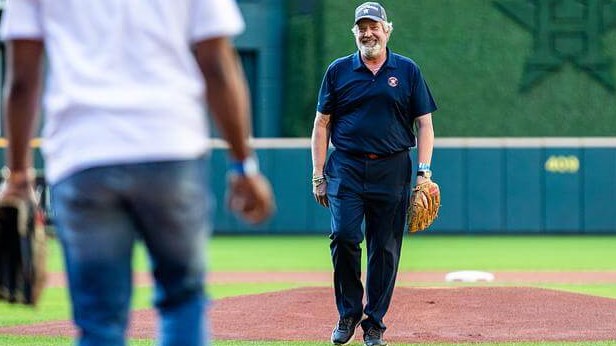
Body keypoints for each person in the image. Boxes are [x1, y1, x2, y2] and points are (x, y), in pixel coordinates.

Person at [0, 1, 274, 345]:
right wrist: (242, 165)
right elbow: (217, 64)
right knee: (182, 299)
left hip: (84, 153)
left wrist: (20, 176)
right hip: (170, 147)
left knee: (99, 322)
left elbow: (23, 80)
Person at [310, 2, 437, 346]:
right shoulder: (338, 71)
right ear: (355, 32)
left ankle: (375, 322)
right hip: (346, 167)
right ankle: (348, 313)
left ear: (387, 30)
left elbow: (424, 124)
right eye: (362, 27)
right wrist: (318, 174)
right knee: (345, 237)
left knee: (385, 248)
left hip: (393, 167)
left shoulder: (407, 71)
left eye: (374, 26)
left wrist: (424, 174)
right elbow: (321, 125)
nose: (368, 32)